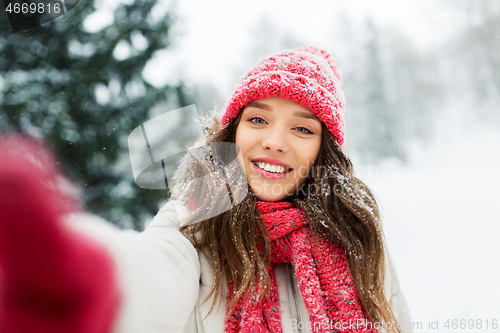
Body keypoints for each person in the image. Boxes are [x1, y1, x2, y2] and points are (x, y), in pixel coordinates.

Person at [0, 47, 413, 333]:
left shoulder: (352, 234)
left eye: (302, 128)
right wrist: (89, 281)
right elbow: (154, 273)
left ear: (323, 151)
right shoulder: (196, 221)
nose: (274, 140)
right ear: (232, 131)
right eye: (257, 120)